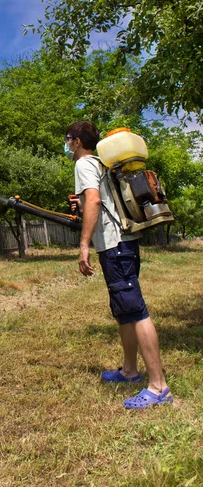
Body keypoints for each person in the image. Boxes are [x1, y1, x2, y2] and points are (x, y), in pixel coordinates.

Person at [65, 120, 172, 409]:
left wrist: (84, 244)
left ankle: (159, 387)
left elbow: (95, 201)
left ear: (75, 141)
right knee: (124, 309)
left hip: (114, 245)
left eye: (68, 139)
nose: (67, 145)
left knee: (135, 309)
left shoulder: (84, 163)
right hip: (124, 241)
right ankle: (129, 370)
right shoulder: (104, 164)